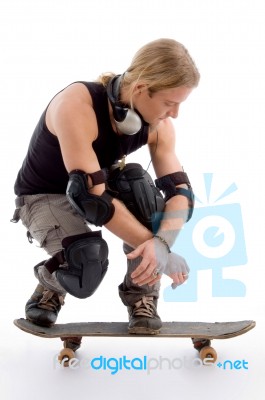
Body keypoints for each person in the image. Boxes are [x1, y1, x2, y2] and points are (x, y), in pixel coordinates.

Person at [12, 38, 200, 339]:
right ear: (140, 89)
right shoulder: (77, 105)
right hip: (45, 194)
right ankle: (51, 284)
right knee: (88, 258)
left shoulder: (159, 125)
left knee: (142, 192)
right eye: (169, 103)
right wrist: (158, 251)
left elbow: (181, 194)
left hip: (95, 187)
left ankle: (142, 296)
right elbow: (92, 200)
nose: (175, 113)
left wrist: (163, 244)